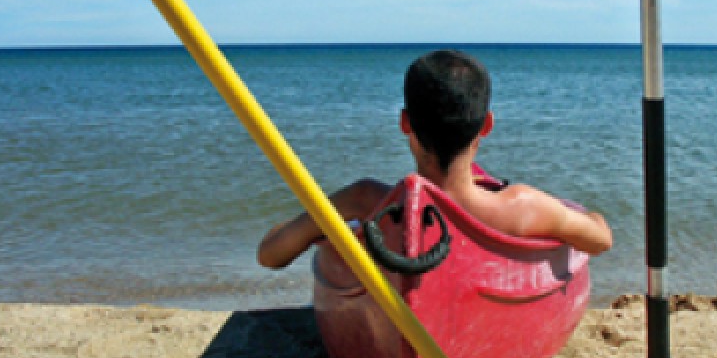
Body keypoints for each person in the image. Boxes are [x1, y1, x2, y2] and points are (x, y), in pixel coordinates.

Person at [257, 49, 612, 269]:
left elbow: (269, 255)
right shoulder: (522, 207)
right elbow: (600, 239)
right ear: (486, 125)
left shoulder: (366, 200)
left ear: (405, 123)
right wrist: (590, 216)